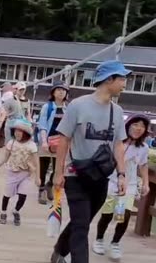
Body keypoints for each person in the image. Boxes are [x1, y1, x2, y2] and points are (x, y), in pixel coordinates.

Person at [51, 60, 130, 263]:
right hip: (76, 174)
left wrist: (122, 174)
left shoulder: (118, 111)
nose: (124, 84)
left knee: (82, 221)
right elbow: (64, 140)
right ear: (108, 79)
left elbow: (118, 145)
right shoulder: (78, 106)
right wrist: (58, 173)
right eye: (121, 79)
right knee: (81, 226)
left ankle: (60, 249)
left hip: (101, 176)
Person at [92, 114, 151, 261]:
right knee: (107, 214)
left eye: (142, 126)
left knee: (124, 215)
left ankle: (115, 243)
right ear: (128, 125)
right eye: (135, 124)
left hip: (129, 186)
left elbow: (143, 165)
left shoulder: (143, 147)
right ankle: (99, 239)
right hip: (111, 183)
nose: (138, 128)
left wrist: (146, 182)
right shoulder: (116, 142)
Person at [0, 119, 40, 226]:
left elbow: (37, 162)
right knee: (7, 194)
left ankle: (16, 210)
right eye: (16, 131)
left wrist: (38, 177)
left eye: (20, 132)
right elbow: (5, 157)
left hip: (26, 173)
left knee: (23, 194)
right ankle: (3, 212)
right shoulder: (11, 143)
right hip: (12, 172)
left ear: (26, 134)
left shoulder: (31, 145)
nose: (17, 133)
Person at [36, 80, 69, 205]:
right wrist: (44, 141)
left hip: (61, 142)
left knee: (58, 167)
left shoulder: (68, 108)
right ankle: (41, 190)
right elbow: (43, 125)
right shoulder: (47, 107)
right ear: (53, 92)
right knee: (43, 167)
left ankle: (49, 185)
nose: (61, 92)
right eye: (58, 90)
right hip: (48, 140)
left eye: (63, 90)